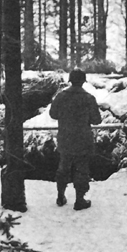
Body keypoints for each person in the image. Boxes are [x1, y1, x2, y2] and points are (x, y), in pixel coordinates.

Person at [49, 68, 102, 210]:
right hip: (83, 139)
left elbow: (53, 114)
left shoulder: (61, 96)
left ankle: (60, 195)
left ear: (70, 80)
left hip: (65, 137)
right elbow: (97, 120)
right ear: (83, 81)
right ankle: (80, 200)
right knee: (82, 169)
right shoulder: (89, 98)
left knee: (63, 167)